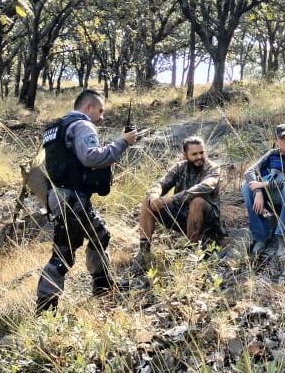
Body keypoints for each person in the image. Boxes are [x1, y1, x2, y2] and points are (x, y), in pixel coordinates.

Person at [37, 89, 141, 314]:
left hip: (61, 197)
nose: (102, 116)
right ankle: (45, 309)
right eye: (100, 110)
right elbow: (91, 157)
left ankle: (103, 287)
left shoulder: (56, 127)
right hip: (72, 199)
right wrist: (122, 142)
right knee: (63, 254)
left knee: (100, 235)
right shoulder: (82, 125)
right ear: (87, 107)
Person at [137, 135, 223, 265]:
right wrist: (154, 196)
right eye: (194, 154)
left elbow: (206, 186)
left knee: (197, 201)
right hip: (182, 214)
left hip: (208, 219)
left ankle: (191, 250)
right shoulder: (179, 167)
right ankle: (144, 251)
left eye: (202, 152)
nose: (199, 157)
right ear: (185, 155)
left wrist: (173, 198)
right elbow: (161, 183)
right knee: (148, 199)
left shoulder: (213, 168)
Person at [242, 124, 285, 258]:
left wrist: (262, 184)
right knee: (246, 186)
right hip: (271, 196)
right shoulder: (271, 154)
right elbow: (249, 171)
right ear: (276, 140)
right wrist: (257, 192)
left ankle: (284, 238)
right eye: (283, 138)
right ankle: (260, 236)